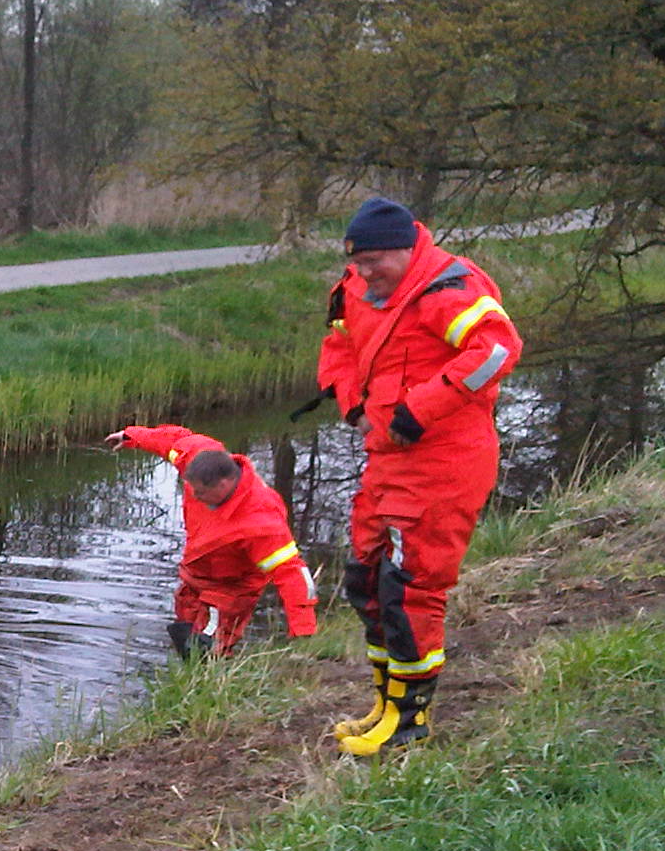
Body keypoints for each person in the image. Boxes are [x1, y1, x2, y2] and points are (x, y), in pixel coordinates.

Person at [316, 196, 523, 755]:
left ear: (407, 250)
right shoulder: (358, 287)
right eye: (357, 263)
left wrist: (420, 408)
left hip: (445, 460)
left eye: (375, 262)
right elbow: (339, 347)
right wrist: (353, 405)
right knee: (365, 583)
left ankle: (410, 722)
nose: (363, 273)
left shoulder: (448, 289)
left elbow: (497, 349)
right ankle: (385, 704)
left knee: (411, 592)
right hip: (386, 458)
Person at [105, 422, 317, 656]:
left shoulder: (261, 523)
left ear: (223, 484)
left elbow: (292, 572)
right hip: (195, 578)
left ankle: (214, 681)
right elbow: (172, 441)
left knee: (208, 649)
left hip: (229, 590)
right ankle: (192, 677)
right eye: (191, 488)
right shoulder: (199, 458)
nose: (194, 496)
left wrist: (302, 626)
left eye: (201, 492)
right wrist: (131, 436)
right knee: (185, 636)